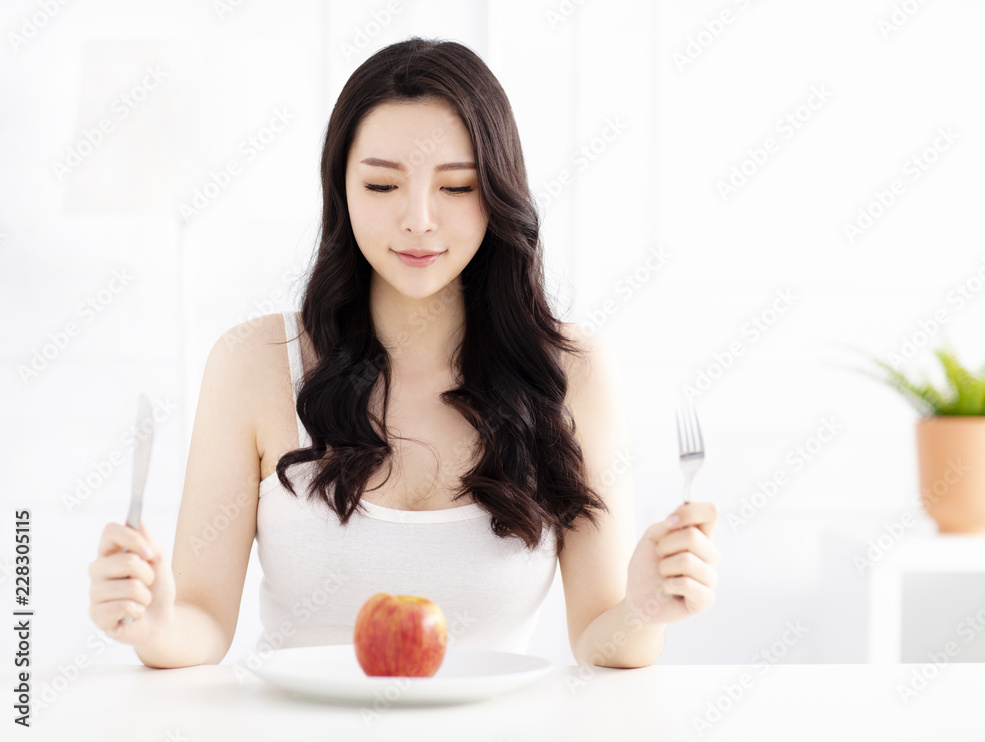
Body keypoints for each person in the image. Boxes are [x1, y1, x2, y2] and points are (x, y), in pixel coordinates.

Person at [87, 36, 720, 669]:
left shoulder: (572, 373)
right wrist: (152, 623)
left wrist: (644, 608)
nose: (418, 219)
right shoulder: (253, 362)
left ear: (498, 195)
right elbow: (200, 623)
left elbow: (598, 640)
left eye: (457, 187)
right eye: (384, 185)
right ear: (342, 190)